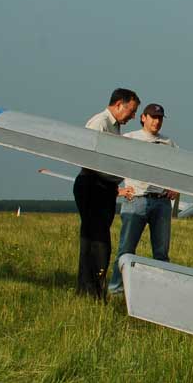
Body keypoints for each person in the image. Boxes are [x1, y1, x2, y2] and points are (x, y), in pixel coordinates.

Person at [73, 87, 139, 299]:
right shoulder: (100, 123)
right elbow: (89, 159)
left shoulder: (115, 127)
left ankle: (91, 290)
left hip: (104, 188)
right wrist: (117, 180)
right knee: (96, 242)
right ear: (119, 104)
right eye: (131, 110)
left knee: (96, 239)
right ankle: (90, 291)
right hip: (93, 186)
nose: (133, 116)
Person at [108, 103, 179, 295]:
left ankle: (161, 292)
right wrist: (117, 190)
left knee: (161, 254)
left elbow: (180, 169)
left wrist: (176, 188)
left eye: (160, 118)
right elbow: (110, 165)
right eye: (153, 117)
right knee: (126, 250)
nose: (157, 121)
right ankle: (116, 290)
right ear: (143, 118)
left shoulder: (168, 143)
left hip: (162, 202)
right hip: (136, 200)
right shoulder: (129, 139)